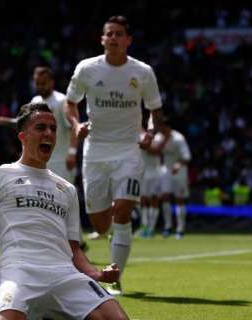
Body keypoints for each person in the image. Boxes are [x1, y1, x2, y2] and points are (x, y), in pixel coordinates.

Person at [0, 102, 129, 320]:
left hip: (65, 274)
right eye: (40, 127)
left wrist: (96, 273)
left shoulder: (66, 189)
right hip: (20, 272)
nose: (48, 133)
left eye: (53, 128)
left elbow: (74, 249)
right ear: (23, 136)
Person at [63, 15, 164, 295]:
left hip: (129, 150)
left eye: (119, 34)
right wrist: (76, 124)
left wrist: (150, 132)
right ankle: (112, 240)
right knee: (100, 222)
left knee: (122, 210)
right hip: (95, 150)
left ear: (128, 40)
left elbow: (155, 111)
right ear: (102, 39)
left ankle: (113, 277)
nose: (114, 38)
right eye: (109, 34)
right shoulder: (87, 68)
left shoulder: (143, 72)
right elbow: (70, 104)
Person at [0, 66, 88, 251]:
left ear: (52, 82)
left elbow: (72, 127)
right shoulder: (35, 101)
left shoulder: (61, 100)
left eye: (44, 82)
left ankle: (77, 245)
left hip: (61, 159)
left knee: (65, 202)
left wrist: (72, 153)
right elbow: (24, 125)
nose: (40, 86)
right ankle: (68, 244)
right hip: (42, 162)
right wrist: (1, 120)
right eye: (37, 83)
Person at [152, 119, 191, 239]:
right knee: (165, 197)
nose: (160, 129)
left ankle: (180, 229)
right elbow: (154, 152)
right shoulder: (159, 137)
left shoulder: (179, 138)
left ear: (168, 127)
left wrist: (178, 165)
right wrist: (164, 140)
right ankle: (168, 227)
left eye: (162, 127)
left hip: (180, 171)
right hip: (166, 171)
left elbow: (187, 156)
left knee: (179, 200)